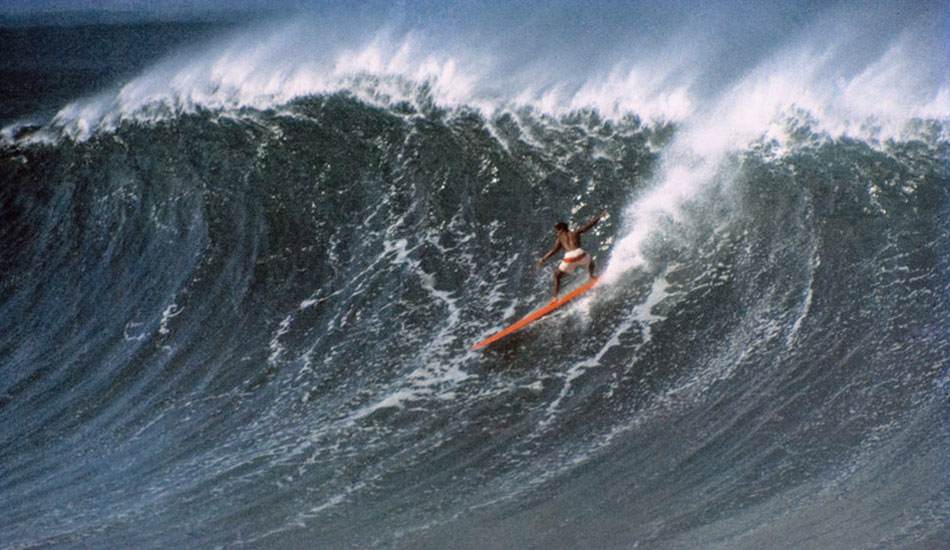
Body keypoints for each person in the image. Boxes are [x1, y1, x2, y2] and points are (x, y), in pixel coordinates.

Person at [537, 209, 607, 300]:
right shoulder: (575, 232)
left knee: (557, 275)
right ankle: (592, 276)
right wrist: (599, 217)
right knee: (591, 262)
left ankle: (555, 298)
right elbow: (588, 226)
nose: (557, 233)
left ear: (561, 229)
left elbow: (554, 250)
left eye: (557, 231)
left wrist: (543, 259)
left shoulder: (560, 238)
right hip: (580, 254)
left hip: (569, 258)